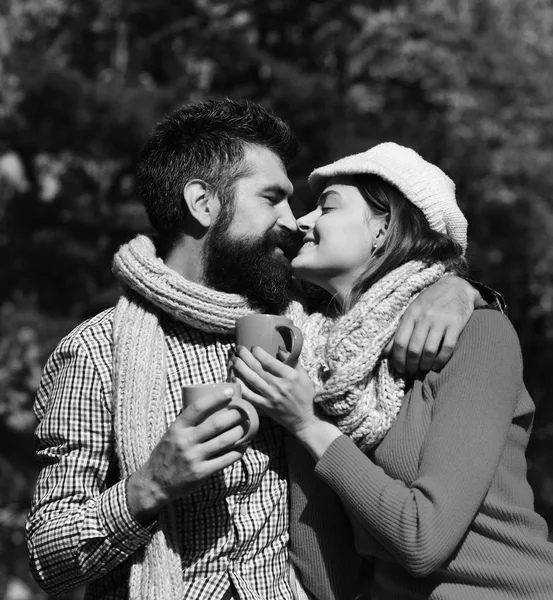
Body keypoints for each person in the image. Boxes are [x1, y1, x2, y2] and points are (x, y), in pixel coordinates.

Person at [26, 101, 489, 600]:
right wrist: (150, 486)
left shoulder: (312, 321)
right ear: (203, 203)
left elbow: (395, 283)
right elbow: (47, 557)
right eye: (272, 198)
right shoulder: (97, 351)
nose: (294, 221)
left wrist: (460, 288)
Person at [232, 142, 553, 599]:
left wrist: (307, 425)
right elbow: (328, 580)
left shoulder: (477, 335)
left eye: (327, 206)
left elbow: (423, 540)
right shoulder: (316, 359)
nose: (301, 221)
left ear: (383, 227)